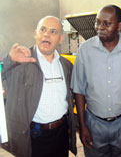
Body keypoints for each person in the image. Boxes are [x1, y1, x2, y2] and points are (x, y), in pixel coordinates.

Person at [71, 5, 121, 157]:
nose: (100, 27)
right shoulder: (85, 50)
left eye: (107, 23)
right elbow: (78, 90)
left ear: (119, 26)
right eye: (98, 22)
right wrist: (83, 125)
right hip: (93, 123)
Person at [1, 16, 77, 157]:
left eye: (53, 31)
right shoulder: (21, 61)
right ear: (36, 33)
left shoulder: (66, 65)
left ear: (60, 39)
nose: (47, 34)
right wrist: (8, 61)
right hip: (33, 135)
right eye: (43, 30)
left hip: (60, 133)